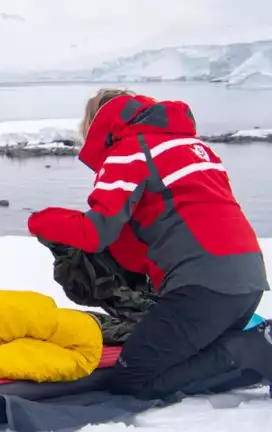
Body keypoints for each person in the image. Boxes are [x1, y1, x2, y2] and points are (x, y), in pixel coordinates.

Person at [27, 88, 272, 399]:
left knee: (134, 379)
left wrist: (42, 221)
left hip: (200, 285)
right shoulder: (193, 147)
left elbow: (95, 232)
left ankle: (251, 346)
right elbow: (152, 236)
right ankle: (254, 350)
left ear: (98, 123)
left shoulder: (129, 150)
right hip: (247, 279)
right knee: (195, 361)